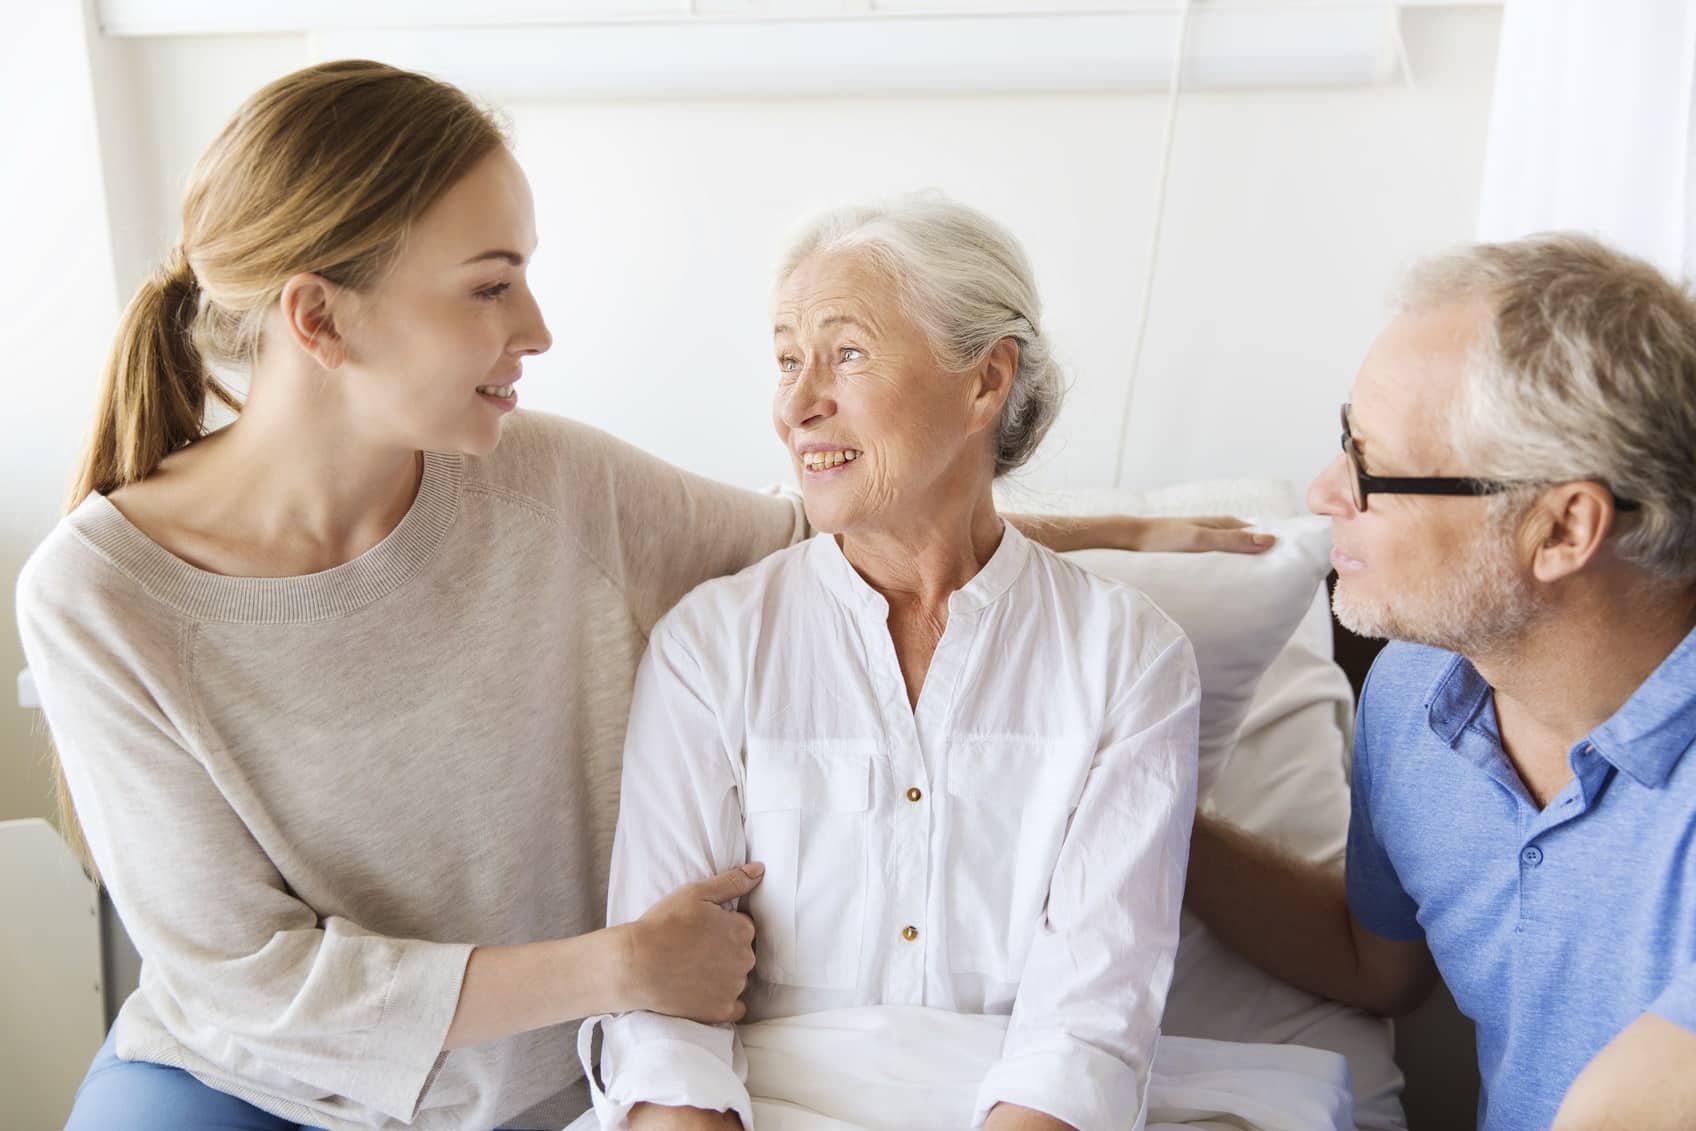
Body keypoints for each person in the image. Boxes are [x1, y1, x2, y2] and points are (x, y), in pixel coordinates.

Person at [16, 62, 1259, 1131]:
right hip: (245, 1084)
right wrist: (619, 966)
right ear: (319, 320)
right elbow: (246, 985)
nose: (539, 327)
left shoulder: (550, 483)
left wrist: (1128, 528)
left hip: (538, 1085)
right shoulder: (98, 596)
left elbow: (848, 522)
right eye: (490, 284)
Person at [592, 197, 1202, 1131]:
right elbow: (662, 1021)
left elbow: (1087, 1026)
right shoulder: (710, 645)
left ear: (985, 381)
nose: (797, 407)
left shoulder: (1129, 657)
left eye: (847, 353)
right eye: (789, 360)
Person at [1183, 234, 1696, 1131]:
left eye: (1371, 466)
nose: (1321, 491)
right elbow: (1374, 960)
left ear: (1562, 528)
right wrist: (1142, 810)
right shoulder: (1418, 694)